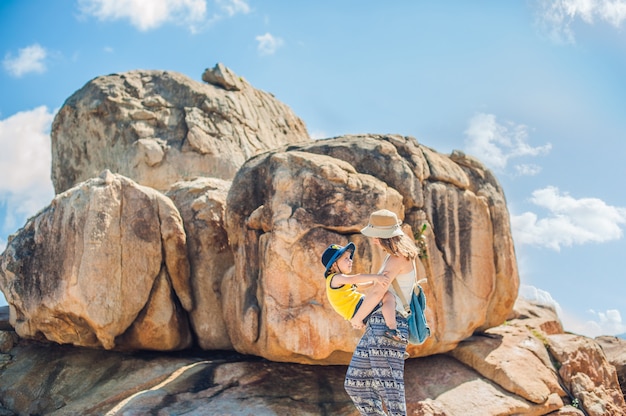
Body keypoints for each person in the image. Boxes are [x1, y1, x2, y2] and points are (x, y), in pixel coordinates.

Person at [344, 209, 420, 416]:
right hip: (376, 325)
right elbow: (380, 285)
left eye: (375, 235)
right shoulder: (391, 258)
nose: (374, 240)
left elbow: (380, 291)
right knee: (355, 383)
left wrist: (357, 318)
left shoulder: (399, 258)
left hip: (389, 326)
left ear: (384, 236)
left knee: (391, 391)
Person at [321, 242, 406, 342]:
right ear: (334, 264)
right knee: (388, 297)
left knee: (379, 320)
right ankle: (392, 329)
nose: (350, 261)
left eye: (350, 258)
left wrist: (373, 282)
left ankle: (390, 343)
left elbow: (359, 286)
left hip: (355, 310)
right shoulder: (335, 278)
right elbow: (356, 279)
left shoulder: (340, 280)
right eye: (346, 259)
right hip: (357, 307)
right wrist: (377, 277)